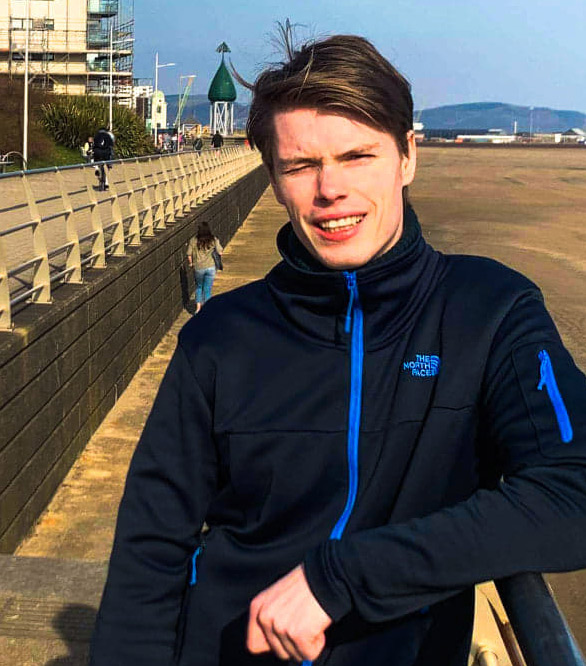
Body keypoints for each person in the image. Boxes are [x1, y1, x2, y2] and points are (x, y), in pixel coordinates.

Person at [90, 34, 586, 666]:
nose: (331, 191)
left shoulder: (490, 312)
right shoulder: (219, 339)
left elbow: (574, 489)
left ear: (408, 156)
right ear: (272, 177)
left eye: (357, 156)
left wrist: (342, 577)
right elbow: (150, 555)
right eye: (302, 166)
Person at [186, 222, 223, 313]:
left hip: (198, 267)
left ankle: (198, 309)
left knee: (199, 287)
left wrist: (191, 263)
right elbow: (220, 252)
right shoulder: (213, 239)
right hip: (210, 267)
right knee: (207, 289)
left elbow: (189, 255)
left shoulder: (193, 240)